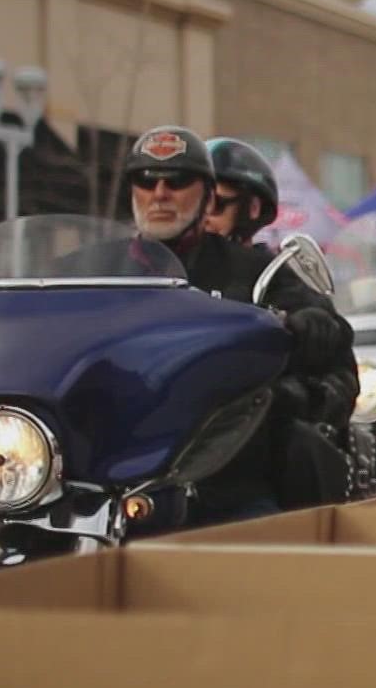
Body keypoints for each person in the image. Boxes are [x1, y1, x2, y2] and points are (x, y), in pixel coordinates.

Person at [117, 126, 356, 525]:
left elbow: (332, 342)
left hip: (222, 472)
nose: (159, 193)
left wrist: (308, 329)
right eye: (145, 180)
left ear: (206, 196)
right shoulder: (99, 267)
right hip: (110, 463)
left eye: (176, 182)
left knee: (266, 550)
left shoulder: (258, 271)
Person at [204, 137, 278, 244]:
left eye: (215, 204)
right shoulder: (173, 259)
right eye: (193, 205)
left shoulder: (271, 261)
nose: (201, 218)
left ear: (253, 208)